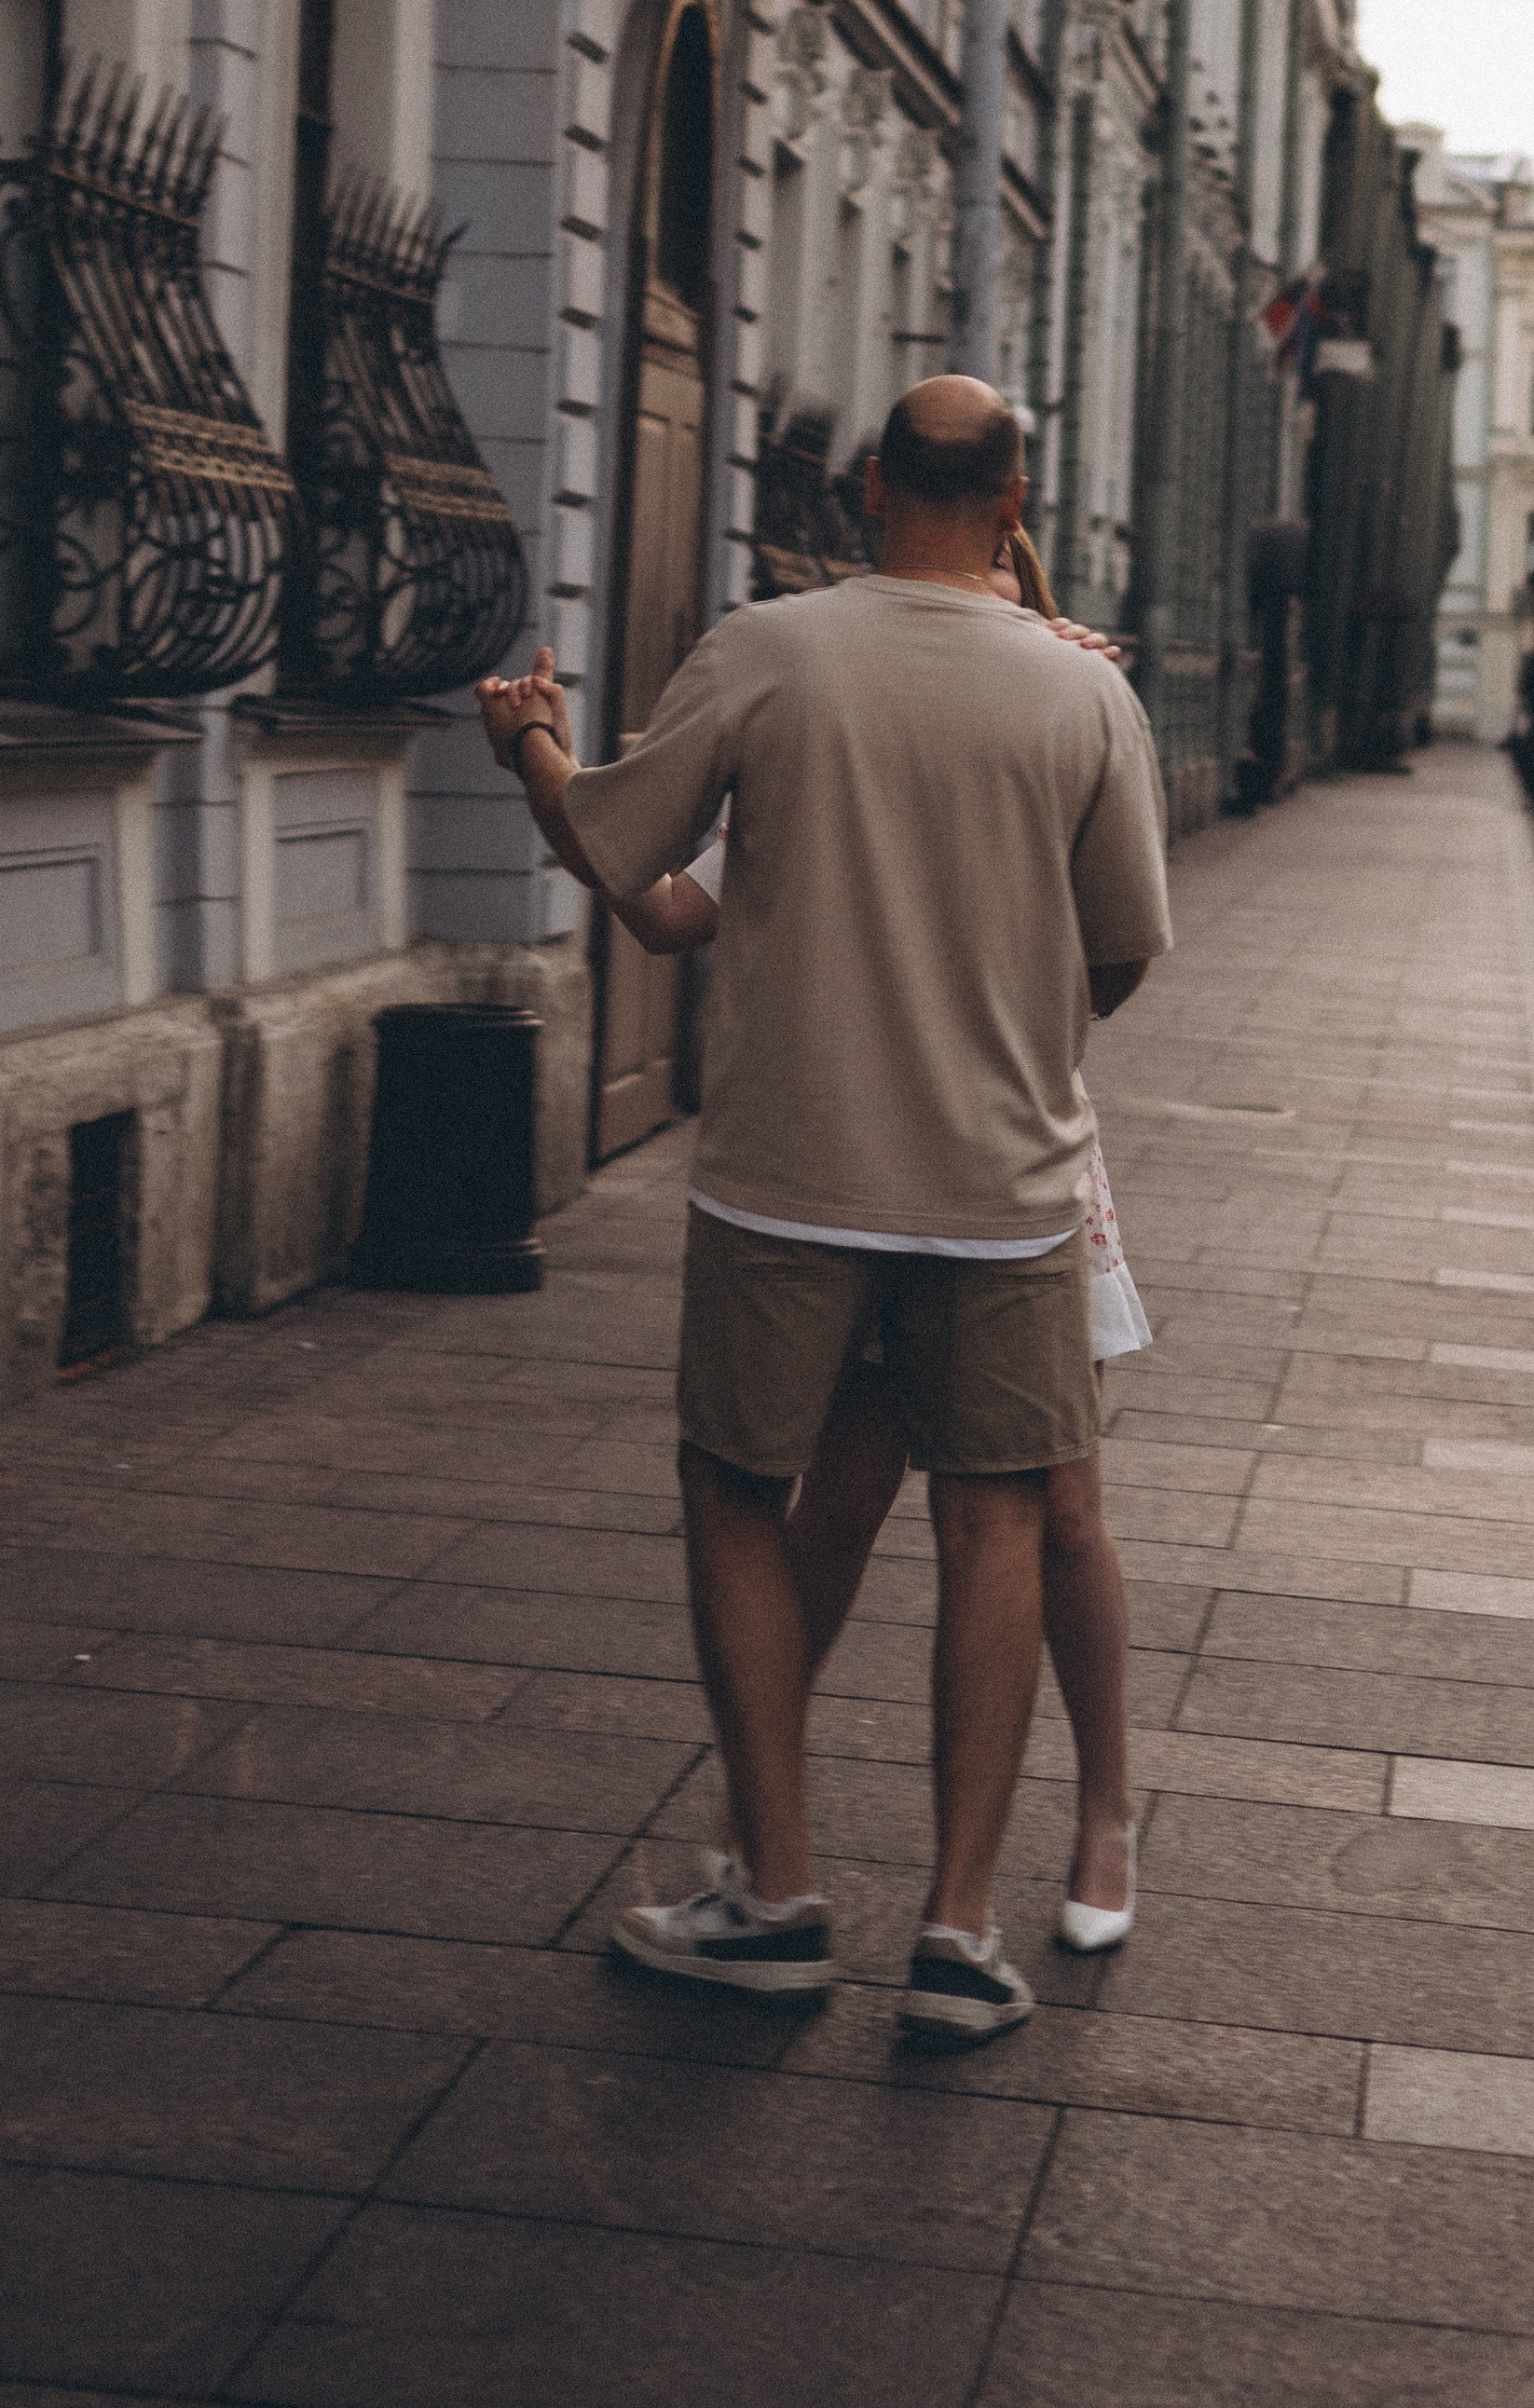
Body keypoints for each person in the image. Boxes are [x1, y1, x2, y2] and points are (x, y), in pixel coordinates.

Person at [477, 377, 1171, 2042]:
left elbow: (620, 852)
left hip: (791, 1177)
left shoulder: (770, 649)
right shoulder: (1084, 695)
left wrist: (529, 746)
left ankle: (777, 1895)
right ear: (1016, 499)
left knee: (736, 1486)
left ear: (868, 490)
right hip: (1000, 1187)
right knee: (994, 1513)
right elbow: (1127, 946)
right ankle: (956, 1932)